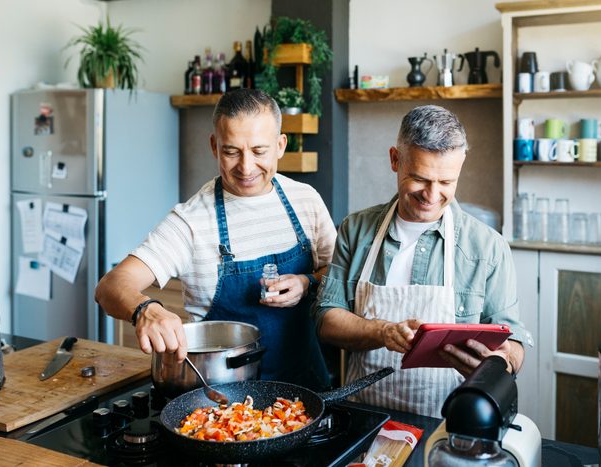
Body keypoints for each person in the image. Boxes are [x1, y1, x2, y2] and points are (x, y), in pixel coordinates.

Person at [95, 89, 336, 390]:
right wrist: (145, 309)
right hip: (223, 403)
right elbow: (110, 286)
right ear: (214, 146)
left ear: (280, 145)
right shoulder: (192, 220)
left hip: (307, 390)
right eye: (231, 151)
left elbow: (337, 272)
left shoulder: (306, 201)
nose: (246, 167)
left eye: (259, 151)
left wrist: (307, 283)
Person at [313, 105, 531, 417]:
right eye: (420, 178)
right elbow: (326, 318)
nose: (432, 194)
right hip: (364, 419)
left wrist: (500, 360)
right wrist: (383, 332)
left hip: (448, 422)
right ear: (395, 160)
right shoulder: (356, 229)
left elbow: (515, 342)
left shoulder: (488, 247)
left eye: (446, 182)